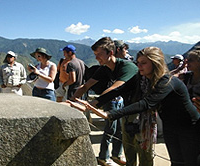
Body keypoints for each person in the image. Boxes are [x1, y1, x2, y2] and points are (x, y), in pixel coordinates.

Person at [69, 47, 200, 166]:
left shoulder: (166, 81)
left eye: (143, 63)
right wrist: (92, 104)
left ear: (155, 63)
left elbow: (146, 103)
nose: (139, 66)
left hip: (189, 126)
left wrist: (110, 114)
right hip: (170, 125)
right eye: (138, 62)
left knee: (190, 162)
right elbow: (119, 90)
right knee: (177, 162)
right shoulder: (142, 78)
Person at [71, 37, 138, 166]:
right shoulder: (105, 68)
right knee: (123, 137)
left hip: (140, 109)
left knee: (135, 145)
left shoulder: (127, 66)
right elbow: (86, 86)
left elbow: (115, 88)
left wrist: (91, 104)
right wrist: (72, 101)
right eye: (95, 55)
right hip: (126, 107)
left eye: (99, 55)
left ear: (110, 53)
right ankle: (115, 157)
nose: (96, 58)